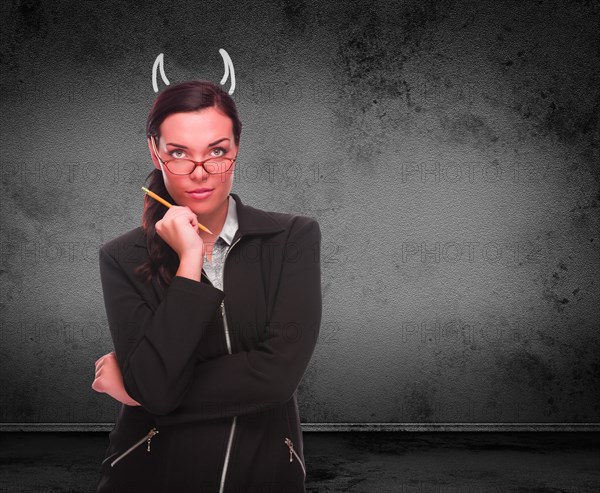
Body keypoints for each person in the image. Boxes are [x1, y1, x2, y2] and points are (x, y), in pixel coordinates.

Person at [91, 80, 322, 492]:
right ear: (155, 152)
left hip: (264, 473)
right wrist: (189, 260)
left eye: (217, 152)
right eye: (179, 153)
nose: (200, 174)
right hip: (149, 475)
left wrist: (138, 390)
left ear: (236, 150)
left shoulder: (292, 238)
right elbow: (159, 386)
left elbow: (276, 377)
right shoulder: (121, 257)